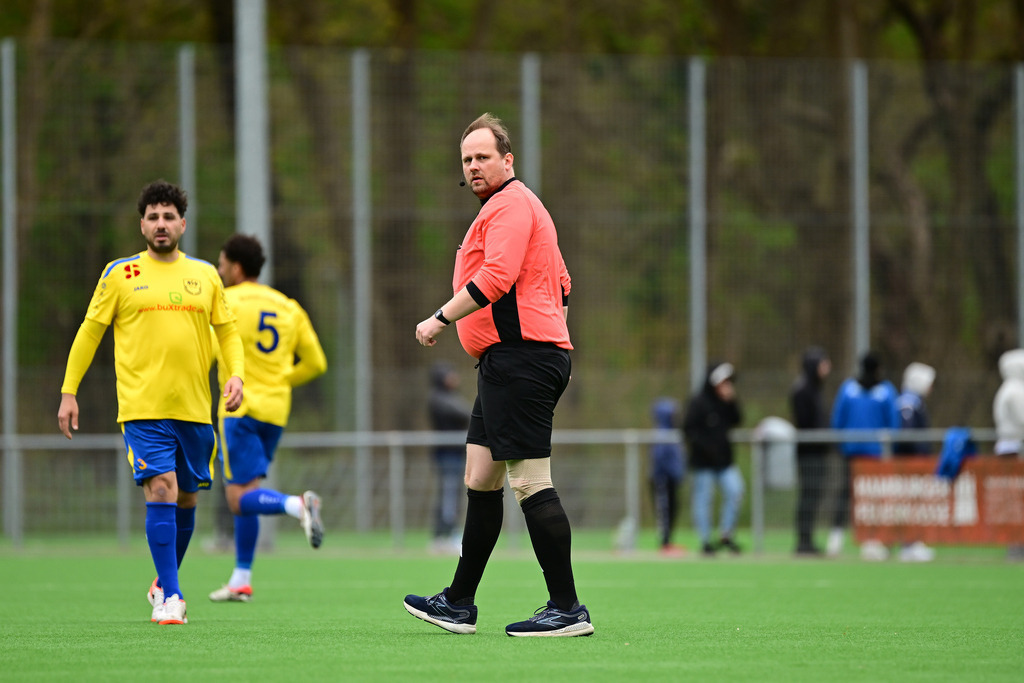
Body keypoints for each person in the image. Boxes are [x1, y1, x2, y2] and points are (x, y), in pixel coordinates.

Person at [404, 113, 593, 637]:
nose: (474, 166)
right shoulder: (512, 208)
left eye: (483, 156)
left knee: (530, 481)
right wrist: (553, 336)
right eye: (467, 160)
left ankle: (568, 608)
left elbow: (497, 275)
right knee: (480, 476)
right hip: (511, 361)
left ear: (507, 160)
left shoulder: (511, 204)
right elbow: (563, 285)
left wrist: (439, 318)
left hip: (521, 359)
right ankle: (459, 602)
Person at [57, 180, 245, 626]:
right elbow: (90, 331)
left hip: (196, 411)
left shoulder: (205, 275)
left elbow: (228, 332)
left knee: (186, 500)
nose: (161, 224)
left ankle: (163, 580)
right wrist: (70, 390)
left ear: (182, 223)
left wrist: (235, 374)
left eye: (168, 216)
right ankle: (173, 596)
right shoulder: (119, 274)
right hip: (142, 409)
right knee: (161, 487)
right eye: (153, 217)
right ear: (142, 224)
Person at [207, 234, 329, 603]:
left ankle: (297, 506)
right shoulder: (288, 306)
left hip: (238, 408)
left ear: (236, 267)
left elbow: (208, 354)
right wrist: (278, 380)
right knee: (249, 492)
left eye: (222, 263)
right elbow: (316, 362)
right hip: (275, 410)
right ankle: (241, 578)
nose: (218, 269)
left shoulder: (225, 302)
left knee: (235, 499)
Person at [827, 350, 900, 560]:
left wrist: (841, 441)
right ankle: (868, 540)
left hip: (854, 451)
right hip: (872, 453)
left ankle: (839, 538)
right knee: (869, 496)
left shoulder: (849, 388)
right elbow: (893, 424)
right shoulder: (885, 391)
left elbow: (837, 420)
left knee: (849, 494)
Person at [683, 361, 744, 557]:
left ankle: (726, 534)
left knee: (736, 490)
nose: (726, 386)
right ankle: (706, 540)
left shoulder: (725, 402)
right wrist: (705, 448)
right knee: (703, 500)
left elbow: (737, 420)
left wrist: (732, 401)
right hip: (704, 463)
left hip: (724, 462)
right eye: (723, 381)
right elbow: (688, 429)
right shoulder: (698, 402)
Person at [890, 361, 938, 562]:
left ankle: (910, 542)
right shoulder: (909, 403)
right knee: (908, 503)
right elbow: (907, 434)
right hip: (909, 463)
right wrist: (917, 453)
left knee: (911, 503)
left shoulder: (913, 401)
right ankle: (908, 544)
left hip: (912, 461)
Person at [789, 346, 831, 557]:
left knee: (813, 495)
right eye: (823, 363)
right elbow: (806, 422)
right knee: (808, 495)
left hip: (817, 450)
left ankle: (807, 539)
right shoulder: (803, 389)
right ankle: (803, 540)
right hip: (808, 452)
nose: (827, 368)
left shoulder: (814, 388)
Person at [428, 362, 472, 555]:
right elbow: (466, 413)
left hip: (455, 453)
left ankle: (444, 536)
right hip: (448, 454)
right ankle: (447, 536)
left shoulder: (448, 397)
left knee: (452, 495)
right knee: (449, 496)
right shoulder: (439, 399)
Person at [993, 349, 1024, 560]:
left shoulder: (1007, 389)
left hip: (1008, 448)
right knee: (1017, 499)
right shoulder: (1014, 391)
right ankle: (1016, 544)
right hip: (1014, 450)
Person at [649, 397, 686, 557]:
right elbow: (660, 459)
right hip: (662, 480)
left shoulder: (672, 432)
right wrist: (670, 472)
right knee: (664, 510)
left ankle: (668, 541)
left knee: (672, 509)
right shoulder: (662, 434)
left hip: (672, 479)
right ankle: (664, 542)